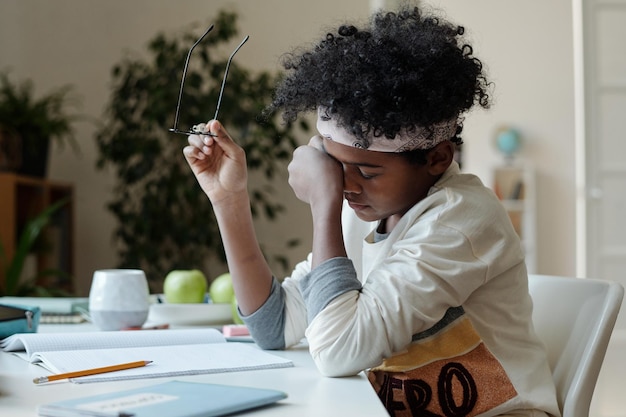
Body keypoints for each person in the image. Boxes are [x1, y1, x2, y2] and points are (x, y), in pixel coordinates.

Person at [183, 6, 560, 417]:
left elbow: (337, 350)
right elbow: (274, 326)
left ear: (437, 158)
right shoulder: (367, 212)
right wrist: (228, 198)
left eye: (366, 170)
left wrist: (324, 204)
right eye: (333, 166)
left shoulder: (461, 221)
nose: (345, 184)